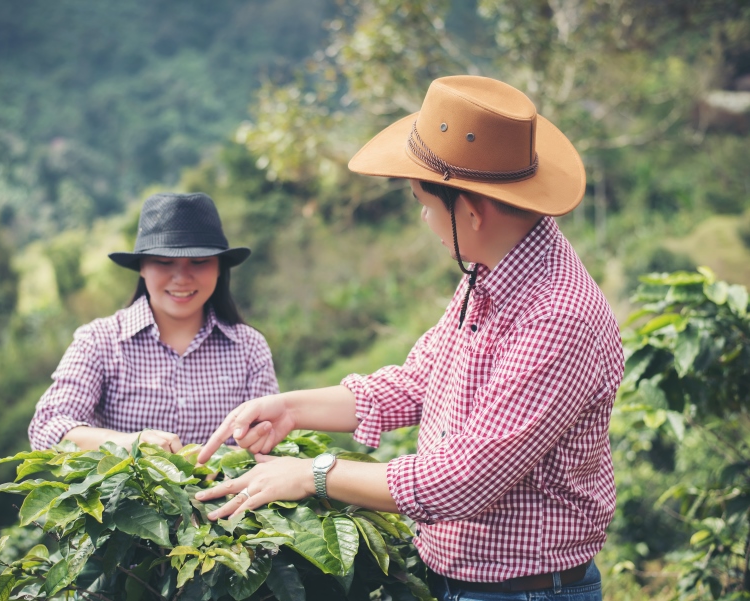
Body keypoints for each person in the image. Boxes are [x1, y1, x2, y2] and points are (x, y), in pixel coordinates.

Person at [195, 76, 624, 600]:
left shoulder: (559, 317)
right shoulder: (489, 273)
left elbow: (463, 479)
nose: (423, 217)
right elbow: (420, 381)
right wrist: (291, 408)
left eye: (425, 201)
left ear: (470, 209)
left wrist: (315, 473)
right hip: (458, 581)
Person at [28, 192, 279, 452]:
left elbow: (271, 437)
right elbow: (47, 428)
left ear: (219, 268)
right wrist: (130, 442)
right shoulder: (100, 341)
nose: (182, 278)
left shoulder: (249, 347)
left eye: (199, 262)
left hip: (230, 493)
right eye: (164, 262)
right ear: (142, 268)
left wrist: (253, 442)